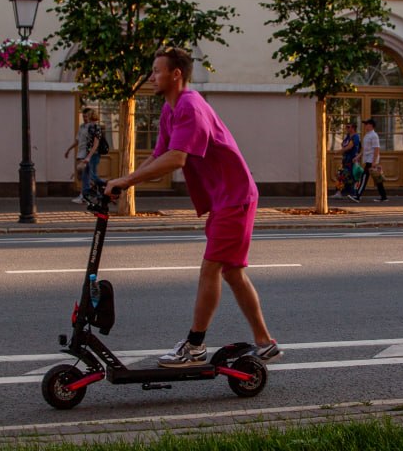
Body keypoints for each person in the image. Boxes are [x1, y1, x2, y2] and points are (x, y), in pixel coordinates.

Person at [105, 47, 280, 367]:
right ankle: (265, 343)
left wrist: (127, 183)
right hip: (225, 199)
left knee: (212, 268)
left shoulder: (190, 106)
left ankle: (195, 345)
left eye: (157, 70)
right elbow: (159, 155)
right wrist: (124, 179)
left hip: (235, 196)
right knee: (233, 273)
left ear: (176, 74)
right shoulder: (170, 110)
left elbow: (177, 158)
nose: (152, 76)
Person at [66, 107, 107, 203]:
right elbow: (78, 140)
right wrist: (69, 149)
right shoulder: (83, 127)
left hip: (92, 155)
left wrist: (88, 157)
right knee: (85, 176)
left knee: (90, 176)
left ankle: (106, 185)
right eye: (84, 116)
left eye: (87, 116)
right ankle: (88, 195)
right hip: (85, 155)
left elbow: (95, 144)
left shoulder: (95, 127)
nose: (85, 118)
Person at [351, 117, 386, 202]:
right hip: (368, 159)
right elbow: (365, 149)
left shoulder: (374, 135)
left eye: (366, 124)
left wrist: (374, 161)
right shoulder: (367, 135)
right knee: (377, 178)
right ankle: (384, 196)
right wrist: (358, 157)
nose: (365, 126)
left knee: (364, 177)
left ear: (371, 125)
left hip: (371, 160)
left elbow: (377, 149)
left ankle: (358, 196)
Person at [332, 122, 361, 200]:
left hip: (352, 160)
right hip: (345, 159)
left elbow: (350, 146)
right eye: (346, 127)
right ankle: (339, 192)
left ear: (353, 128)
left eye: (348, 127)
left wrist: (339, 151)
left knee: (352, 176)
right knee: (341, 175)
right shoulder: (348, 136)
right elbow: (344, 144)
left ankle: (354, 193)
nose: (346, 128)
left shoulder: (355, 137)